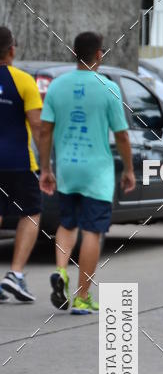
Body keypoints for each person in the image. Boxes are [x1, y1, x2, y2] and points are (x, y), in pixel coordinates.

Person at [38, 31, 135, 314]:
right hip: (97, 171)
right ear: (99, 55)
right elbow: (122, 136)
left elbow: (45, 130)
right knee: (92, 230)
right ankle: (82, 296)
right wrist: (128, 169)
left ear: (73, 53)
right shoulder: (108, 88)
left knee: (67, 224)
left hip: (67, 167)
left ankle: (61, 271)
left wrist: (46, 168)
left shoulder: (57, 86)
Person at [0, 26, 42, 303]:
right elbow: (38, 126)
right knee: (32, 212)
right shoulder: (25, 81)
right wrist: (48, 165)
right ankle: (15, 274)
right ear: (12, 50)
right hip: (18, 163)